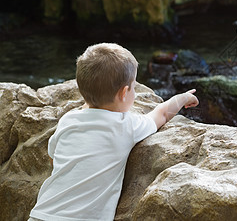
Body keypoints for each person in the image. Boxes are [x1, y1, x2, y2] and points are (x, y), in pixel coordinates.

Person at [28, 43, 199, 221]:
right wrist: (182, 98)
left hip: (42, 213)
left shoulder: (68, 120)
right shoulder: (126, 126)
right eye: (134, 87)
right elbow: (162, 114)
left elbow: (52, 158)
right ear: (124, 93)